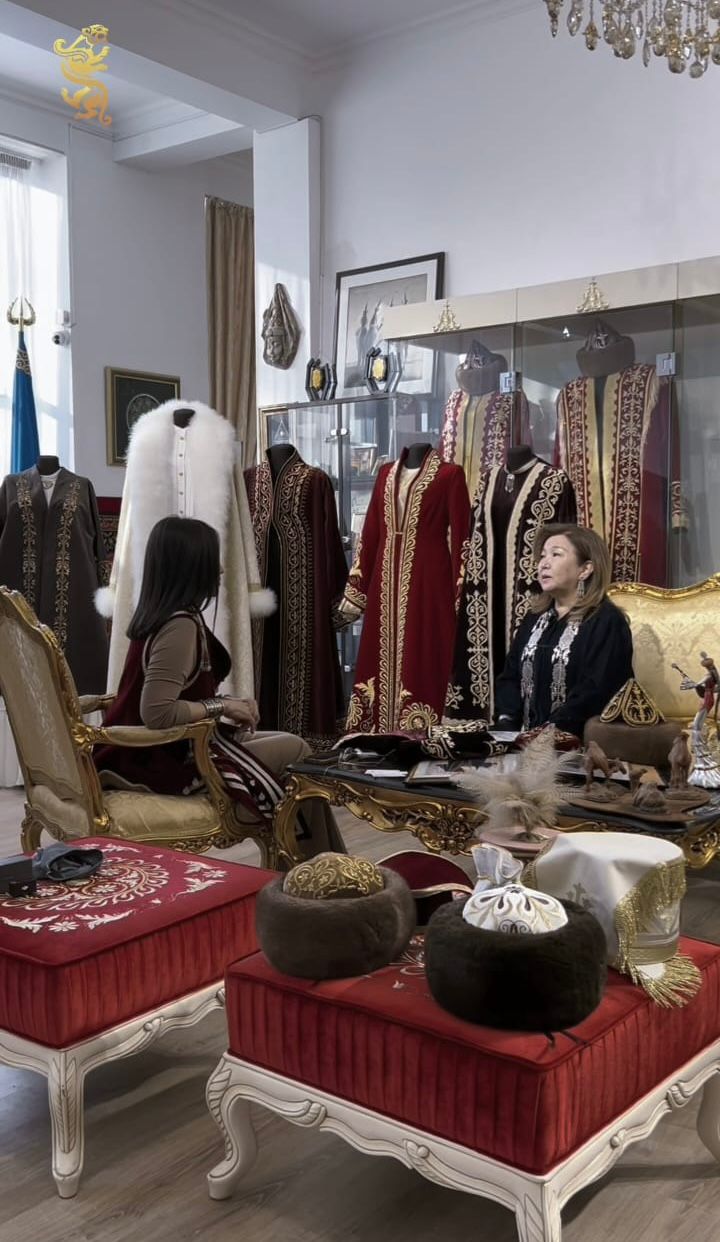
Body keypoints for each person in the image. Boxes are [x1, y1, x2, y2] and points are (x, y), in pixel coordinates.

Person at [94, 516, 345, 858]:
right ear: (191, 568)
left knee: (289, 744)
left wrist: (228, 703)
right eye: (213, 560)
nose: (221, 570)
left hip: (158, 751)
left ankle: (313, 863)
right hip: (156, 762)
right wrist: (223, 706)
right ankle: (317, 866)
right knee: (295, 750)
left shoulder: (167, 615)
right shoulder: (179, 626)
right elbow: (157, 712)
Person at [494, 523, 633, 740]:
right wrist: (507, 723)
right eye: (542, 556)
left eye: (556, 554)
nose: (543, 564)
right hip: (524, 742)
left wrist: (550, 732)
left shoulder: (607, 621)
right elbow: (510, 676)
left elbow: (597, 690)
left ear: (585, 569)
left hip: (580, 745)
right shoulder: (534, 618)